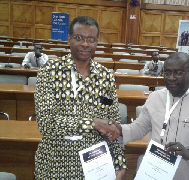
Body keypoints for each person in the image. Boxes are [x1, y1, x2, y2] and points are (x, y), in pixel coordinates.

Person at [34, 16, 127, 179]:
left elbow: (113, 126)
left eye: (91, 39)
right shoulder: (49, 72)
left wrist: (119, 162)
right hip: (56, 161)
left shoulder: (105, 76)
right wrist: (93, 123)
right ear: (69, 39)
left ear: (97, 42)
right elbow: (46, 123)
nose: (85, 44)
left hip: (95, 164)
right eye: (79, 38)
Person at [115, 52, 189, 180]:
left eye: (178, 73)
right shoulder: (155, 97)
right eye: (167, 73)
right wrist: (119, 130)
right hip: (155, 172)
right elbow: (139, 128)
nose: (171, 77)